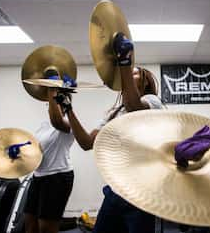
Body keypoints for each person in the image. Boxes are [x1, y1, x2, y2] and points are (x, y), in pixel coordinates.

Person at [55, 33, 163, 233]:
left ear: (145, 82)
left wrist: (124, 61)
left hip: (143, 194)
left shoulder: (152, 102)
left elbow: (133, 105)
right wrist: (68, 108)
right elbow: (87, 143)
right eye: (128, 71)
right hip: (116, 191)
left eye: (135, 72)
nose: (130, 73)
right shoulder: (113, 113)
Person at [24, 86, 75, 233]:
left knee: (46, 228)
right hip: (38, 177)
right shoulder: (43, 125)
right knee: (30, 225)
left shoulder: (69, 123)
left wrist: (51, 89)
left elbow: (57, 121)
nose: (49, 106)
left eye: (53, 103)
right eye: (49, 103)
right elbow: (37, 149)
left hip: (58, 178)